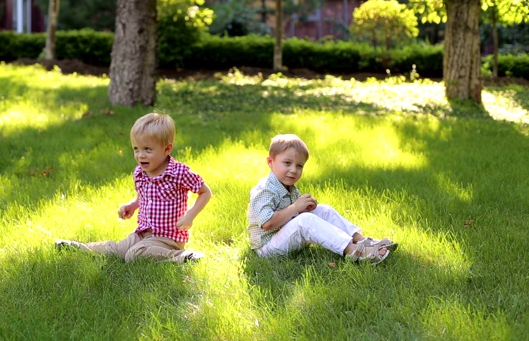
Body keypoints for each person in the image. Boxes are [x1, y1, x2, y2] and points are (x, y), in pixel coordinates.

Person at [55, 112, 212, 263]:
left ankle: (181, 256)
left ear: (167, 149)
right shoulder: (140, 172)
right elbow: (143, 196)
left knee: (133, 256)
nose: (140, 155)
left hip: (168, 237)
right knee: (117, 250)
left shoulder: (179, 172)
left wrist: (190, 216)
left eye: (147, 149)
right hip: (143, 233)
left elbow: (205, 192)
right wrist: (132, 204)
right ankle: (83, 248)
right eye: (136, 149)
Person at [247, 134, 397, 264]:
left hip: (284, 237)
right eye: (287, 163)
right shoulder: (265, 190)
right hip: (267, 248)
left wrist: (306, 207)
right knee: (305, 220)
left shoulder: (288, 186)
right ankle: (354, 252)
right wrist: (295, 208)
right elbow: (267, 223)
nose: (294, 170)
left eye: (299, 166)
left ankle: (360, 240)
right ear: (270, 162)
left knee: (323, 210)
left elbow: (294, 215)